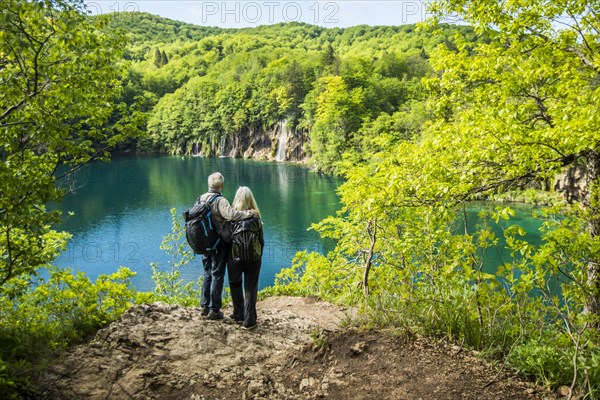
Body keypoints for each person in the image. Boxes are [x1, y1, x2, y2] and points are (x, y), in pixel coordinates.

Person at [199, 172, 255, 320]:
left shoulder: (201, 198)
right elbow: (232, 215)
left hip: (205, 243)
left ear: (209, 184)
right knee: (217, 275)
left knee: (207, 274)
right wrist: (249, 213)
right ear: (221, 185)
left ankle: (204, 307)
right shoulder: (220, 200)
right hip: (218, 244)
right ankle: (214, 310)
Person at [227, 186, 264, 330]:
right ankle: (250, 320)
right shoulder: (256, 217)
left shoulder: (232, 216)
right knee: (250, 288)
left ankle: (238, 315)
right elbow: (261, 240)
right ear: (251, 199)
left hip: (235, 258)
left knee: (235, 284)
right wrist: (258, 253)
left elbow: (227, 238)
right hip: (254, 258)